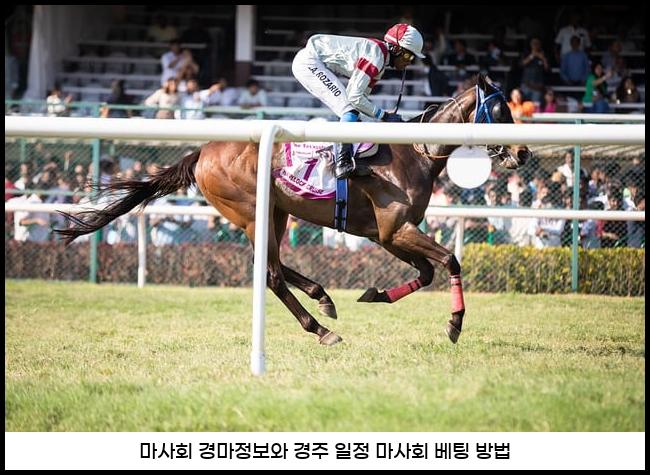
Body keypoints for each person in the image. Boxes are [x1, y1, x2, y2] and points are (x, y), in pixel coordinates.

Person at [291, 23, 425, 179]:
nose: (409, 62)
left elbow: (362, 101)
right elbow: (354, 98)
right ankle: (342, 163)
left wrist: (380, 117)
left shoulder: (379, 61)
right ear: (396, 49)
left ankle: (351, 159)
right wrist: (384, 116)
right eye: (409, 56)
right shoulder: (376, 55)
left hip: (314, 62)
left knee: (355, 113)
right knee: (350, 109)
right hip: (309, 63)